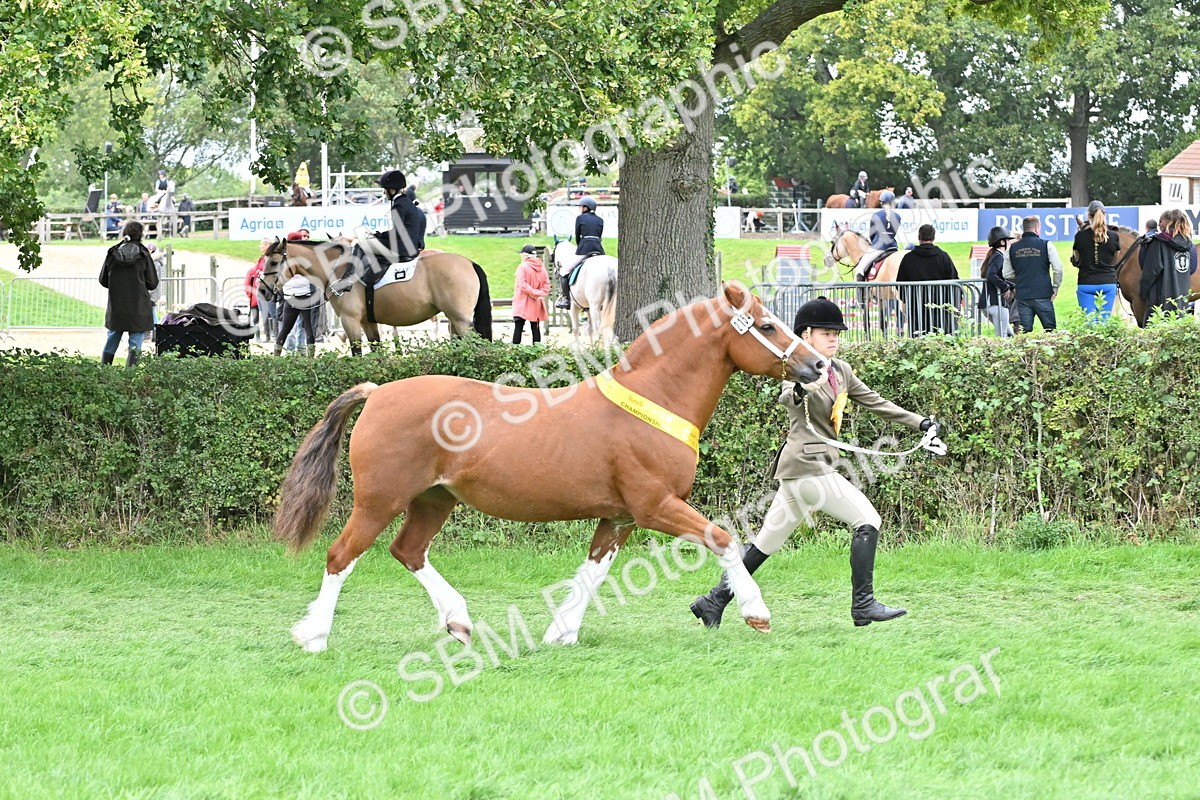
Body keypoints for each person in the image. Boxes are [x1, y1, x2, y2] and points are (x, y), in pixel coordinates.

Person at [689, 297, 943, 629]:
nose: (834, 338)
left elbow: (876, 402)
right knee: (868, 520)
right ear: (806, 335)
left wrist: (920, 423)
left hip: (799, 475)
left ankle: (713, 601)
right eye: (826, 333)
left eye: (836, 333)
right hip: (808, 467)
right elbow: (787, 397)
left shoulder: (842, 371)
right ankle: (863, 606)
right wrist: (800, 388)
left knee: (766, 544)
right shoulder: (799, 370)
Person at [99, 220, 159, 366]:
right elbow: (152, 283)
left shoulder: (113, 253)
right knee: (135, 344)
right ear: (141, 234)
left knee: (112, 338)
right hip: (138, 306)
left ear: (124, 232)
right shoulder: (144, 254)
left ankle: (103, 370)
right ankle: (129, 376)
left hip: (117, 305)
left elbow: (103, 280)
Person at [352, 170, 426, 285]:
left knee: (360, 244)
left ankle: (348, 278)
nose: (384, 193)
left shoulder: (398, 205)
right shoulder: (407, 203)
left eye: (385, 190)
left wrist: (378, 235)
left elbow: (397, 233)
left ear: (392, 190)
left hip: (402, 249)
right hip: (411, 247)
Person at [1002, 216, 1062, 332]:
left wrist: (1021, 276)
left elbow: (1006, 273)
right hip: (1043, 294)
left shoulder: (1012, 248)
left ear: (1024, 229)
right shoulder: (1046, 245)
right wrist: (1055, 287)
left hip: (1023, 295)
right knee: (1050, 331)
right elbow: (1058, 269)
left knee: (1025, 333)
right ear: (1037, 228)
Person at [896, 224, 959, 335]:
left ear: (919, 237)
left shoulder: (908, 258)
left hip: (916, 308)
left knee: (918, 338)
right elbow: (954, 281)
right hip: (940, 308)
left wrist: (906, 299)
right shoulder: (943, 257)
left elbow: (900, 283)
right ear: (933, 237)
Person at [1138, 209, 1197, 325]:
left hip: (1160, 301)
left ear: (1169, 222)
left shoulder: (1159, 242)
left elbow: (1150, 272)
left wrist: (1143, 293)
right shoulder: (1189, 244)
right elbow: (1192, 268)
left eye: (1161, 221)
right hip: (1181, 301)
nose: (1159, 225)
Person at [1071, 204, 1120, 321]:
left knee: (1090, 322)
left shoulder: (1080, 236)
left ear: (1088, 215)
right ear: (1105, 215)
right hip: (1108, 282)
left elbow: (1077, 257)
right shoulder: (1113, 236)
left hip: (1086, 283)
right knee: (1104, 321)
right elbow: (1115, 258)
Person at [556, 196, 604, 309]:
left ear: (585, 207)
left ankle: (566, 300)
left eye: (581, 207)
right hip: (599, 249)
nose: (580, 209)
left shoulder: (580, 218)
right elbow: (599, 236)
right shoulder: (600, 220)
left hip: (584, 249)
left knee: (564, 271)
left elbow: (578, 236)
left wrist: (579, 247)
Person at [978, 226, 1016, 337]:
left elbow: (997, 276)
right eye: (1008, 240)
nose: (1009, 243)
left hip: (988, 304)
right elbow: (991, 275)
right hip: (995, 303)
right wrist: (1006, 287)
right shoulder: (998, 256)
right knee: (1002, 338)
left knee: (1009, 334)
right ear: (1002, 242)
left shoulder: (994, 255)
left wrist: (1011, 286)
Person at [854, 190, 900, 280]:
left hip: (879, 247)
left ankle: (861, 294)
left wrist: (873, 242)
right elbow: (893, 232)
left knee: (860, 269)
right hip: (893, 247)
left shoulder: (876, 215)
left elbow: (872, 234)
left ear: (881, 202)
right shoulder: (898, 216)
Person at [274, 269, 318, 357]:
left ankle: (276, 356)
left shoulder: (287, 266)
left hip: (290, 297)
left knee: (285, 329)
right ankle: (311, 358)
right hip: (305, 296)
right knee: (308, 326)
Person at [512, 245, 549, 344]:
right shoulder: (542, 267)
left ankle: (515, 352)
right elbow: (547, 285)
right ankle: (537, 351)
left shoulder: (522, 266)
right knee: (535, 328)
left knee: (518, 327)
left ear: (525, 255)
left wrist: (532, 293)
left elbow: (522, 284)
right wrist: (538, 293)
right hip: (536, 301)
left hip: (522, 301)